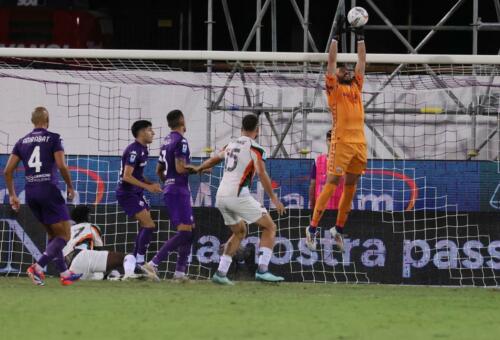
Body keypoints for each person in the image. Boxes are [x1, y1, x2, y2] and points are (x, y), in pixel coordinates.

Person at [189, 114, 286, 285]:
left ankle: (221, 273)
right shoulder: (256, 148)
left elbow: (214, 159)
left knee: (240, 231)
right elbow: (262, 173)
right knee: (270, 227)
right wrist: (274, 198)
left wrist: (199, 168)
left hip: (220, 197)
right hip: (238, 194)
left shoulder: (230, 144)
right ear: (257, 131)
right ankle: (263, 270)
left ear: (241, 129)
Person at [306, 17, 367, 252]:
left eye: (348, 68)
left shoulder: (357, 86)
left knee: (350, 186)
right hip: (341, 142)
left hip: (359, 142)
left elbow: (362, 61)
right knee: (331, 183)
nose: (348, 69)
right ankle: (312, 228)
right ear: (337, 75)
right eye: (344, 69)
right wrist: (336, 37)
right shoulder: (334, 89)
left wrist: (360, 35)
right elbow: (331, 61)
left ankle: (338, 230)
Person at [3, 106, 82, 286]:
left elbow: (7, 171)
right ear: (48, 121)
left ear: (33, 121)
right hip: (49, 190)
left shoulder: (21, 142)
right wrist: (70, 186)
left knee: (53, 235)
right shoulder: (54, 138)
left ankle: (64, 273)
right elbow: (62, 166)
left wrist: (13, 195)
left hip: (31, 193)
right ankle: (37, 268)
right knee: (65, 236)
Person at [141, 110, 195, 281]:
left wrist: (168, 182)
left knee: (190, 231)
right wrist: (200, 168)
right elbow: (180, 169)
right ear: (182, 121)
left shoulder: (165, 141)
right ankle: (153, 264)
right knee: (185, 232)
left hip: (172, 189)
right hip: (179, 190)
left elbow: (159, 170)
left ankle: (179, 273)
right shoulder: (181, 141)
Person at [116, 120, 162, 266]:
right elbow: (127, 176)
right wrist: (148, 187)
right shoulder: (134, 150)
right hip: (127, 194)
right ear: (141, 132)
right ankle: (140, 262)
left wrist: (149, 183)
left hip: (136, 192)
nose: (153, 133)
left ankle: (135, 261)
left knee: (145, 225)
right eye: (150, 130)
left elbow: (137, 175)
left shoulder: (144, 149)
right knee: (149, 225)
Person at [63, 205, 141, 280]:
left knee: (106, 273)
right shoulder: (91, 226)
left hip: (71, 268)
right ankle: (130, 275)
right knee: (128, 258)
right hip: (84, 256)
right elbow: (98, 248)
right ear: (87, 216)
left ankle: (110, 277)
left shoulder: (67, 230)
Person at [309, 129, 345, 211]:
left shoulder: (344, 162)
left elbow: (348, 186)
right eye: (330, 140)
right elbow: (312, 184)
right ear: (326, 141)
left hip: (338, 208)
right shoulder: (317, 161)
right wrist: (312, 205)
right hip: (321, 209)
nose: (332, 142)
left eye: (335, 140)